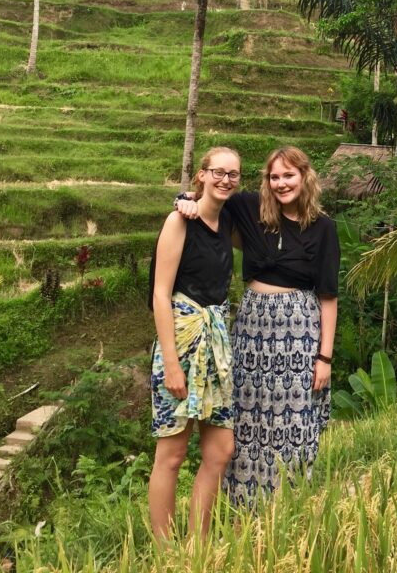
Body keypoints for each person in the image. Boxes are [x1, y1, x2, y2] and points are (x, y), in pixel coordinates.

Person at [177, 145, 339, 507]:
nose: (282, 184)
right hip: (252, 328)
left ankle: (288, 506)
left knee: (294, 420)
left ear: (304, 177)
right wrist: (183, 199)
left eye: (289, 175)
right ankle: (243, 510)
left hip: (299, 333)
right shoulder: (250, 208)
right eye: (275, 176)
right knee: (248, 419)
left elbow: (328, 296)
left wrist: (324, 358)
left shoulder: (323, 228)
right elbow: (210, 194)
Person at [148, 146, 240, 540]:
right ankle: (166, 549)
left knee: (220, 452)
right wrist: (170, 361)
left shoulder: (228, 224)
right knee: (172, 455)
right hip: (182, 342)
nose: (225, 179)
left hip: (215, 347)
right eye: (217, 171)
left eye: (233, 174)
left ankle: (198, 546)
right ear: (201, 174)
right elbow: (160, 294)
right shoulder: (179, 221)